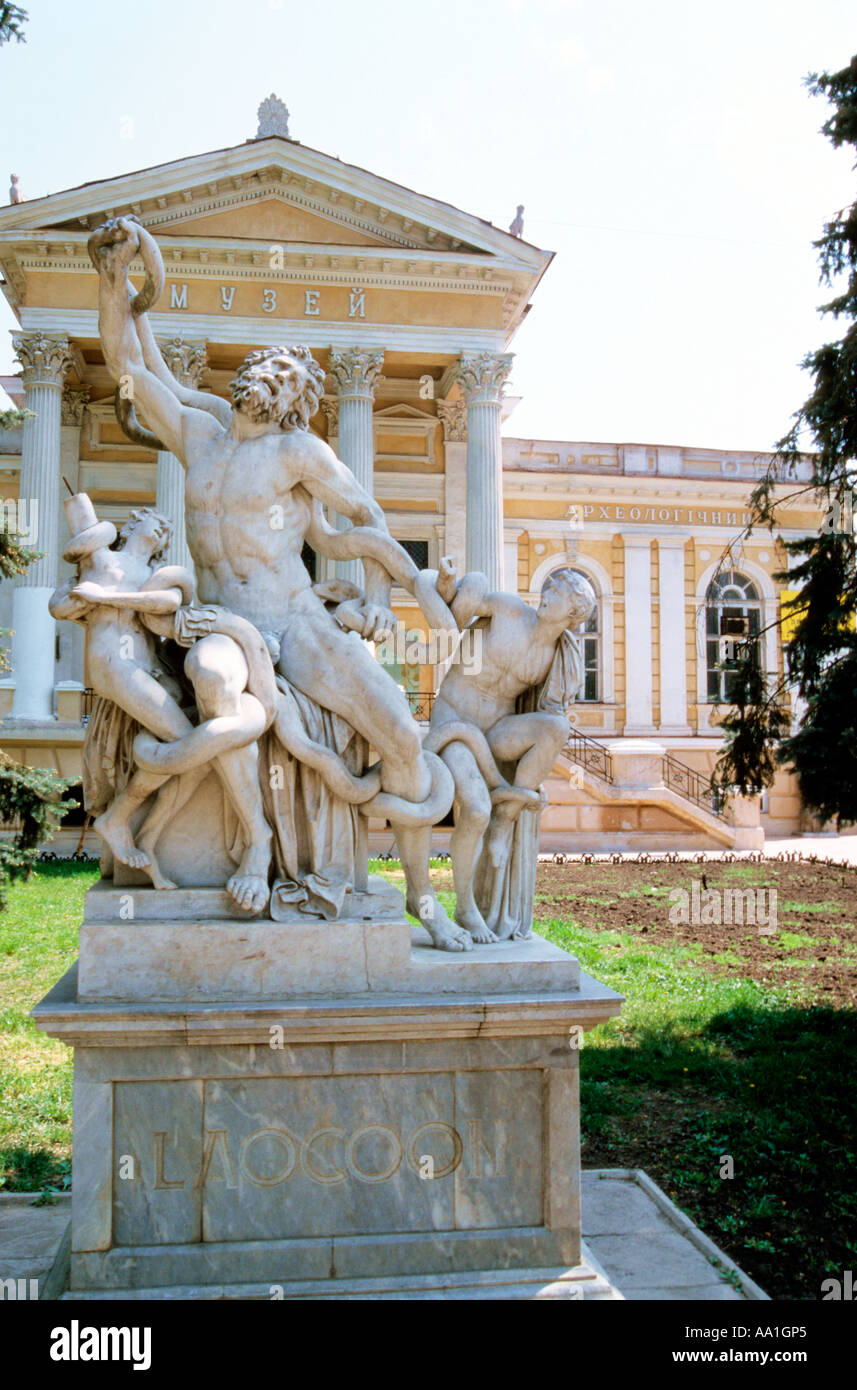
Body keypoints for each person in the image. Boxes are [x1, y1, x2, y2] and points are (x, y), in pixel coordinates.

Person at [88, 215, 470, 947]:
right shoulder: (198, 435)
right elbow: (129, 362)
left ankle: (424, 901)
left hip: (295, 620)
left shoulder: (301, 451)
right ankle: (258, 843)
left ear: (295, 400)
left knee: (396, 728)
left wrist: (375, 595)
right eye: (268, 366)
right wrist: (114, 277)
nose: (270, 376)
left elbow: (364, 515)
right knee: (211, 678)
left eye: (287, 376)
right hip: (226, 622)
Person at [412, 565, 595, 942]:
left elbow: (551, 712)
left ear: (573, 612)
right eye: (549, 587)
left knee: (556, 727)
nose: (545, 594)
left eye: (556, 592)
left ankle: (505, 820)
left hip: (497, 732)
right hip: (455, 722)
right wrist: (446, 581)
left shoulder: (558, 655)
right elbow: (454, 611)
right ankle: (465, 906)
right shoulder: (509, 610)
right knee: (476, 808)